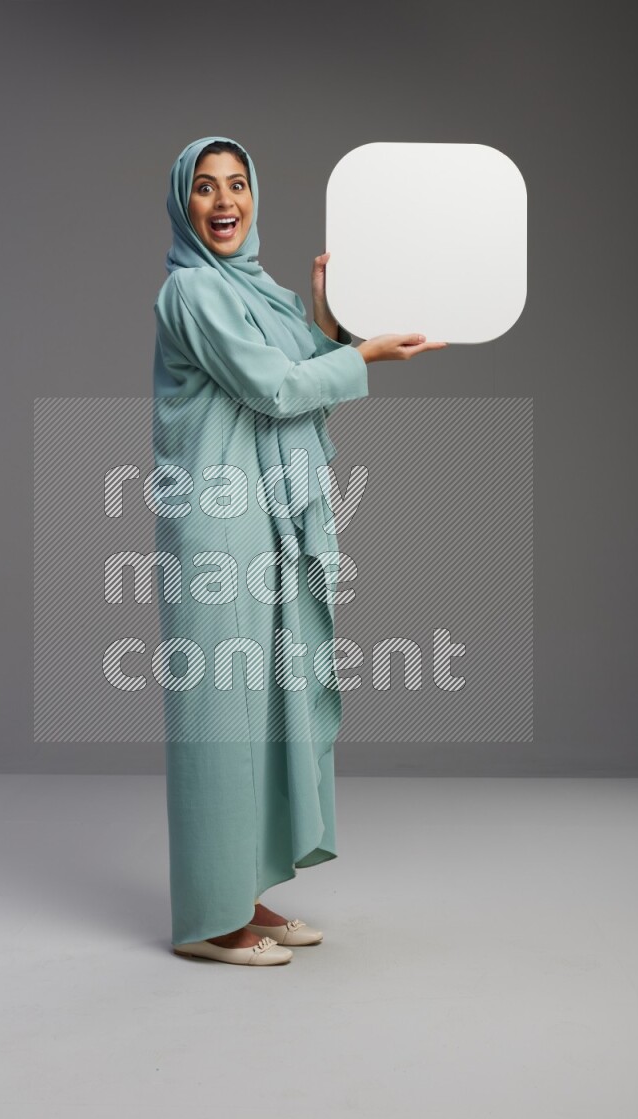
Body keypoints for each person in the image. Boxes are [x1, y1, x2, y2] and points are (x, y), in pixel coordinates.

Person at [152, 135, 446, 966]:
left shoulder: (254, 291)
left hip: (264, 520)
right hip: (217, 524)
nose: (222, 202)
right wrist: (356, 355)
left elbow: (296, 370)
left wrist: (322, 320)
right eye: (204, 188)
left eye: (236, 184)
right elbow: (276, 389)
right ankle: (208, 923)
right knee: (220, 720)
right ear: (183, 202)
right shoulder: (191, 293)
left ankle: (239, 893)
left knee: (263, 710)